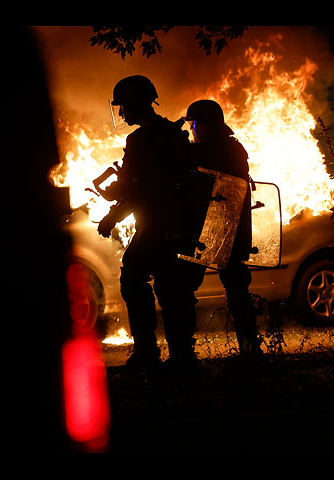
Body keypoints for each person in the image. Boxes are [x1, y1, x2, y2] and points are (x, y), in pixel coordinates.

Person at [98, 75, 205, 373]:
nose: (121, 113)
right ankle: (182, 354)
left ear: (135, 103)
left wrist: (112, 215)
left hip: (158, 225)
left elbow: (139, 190)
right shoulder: (173, 134)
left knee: (133, 279)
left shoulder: (141, 140)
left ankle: (147, 351)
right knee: (172, 288)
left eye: (124, 106)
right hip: (180, 225)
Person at [185, 99, 263, 355]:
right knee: (237, 289)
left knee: (184, 287)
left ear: (206, 124)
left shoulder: (213, 151)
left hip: (216, 230)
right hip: (227, 230)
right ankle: (250, 349)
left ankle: (185, 353)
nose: (194, 130)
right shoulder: (234, 148)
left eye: (195, 124)